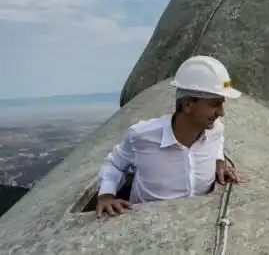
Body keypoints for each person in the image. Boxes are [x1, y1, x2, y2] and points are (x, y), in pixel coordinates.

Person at [95, 55, 242, 218]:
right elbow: (115, 164)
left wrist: (219, 161)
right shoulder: (142, 136)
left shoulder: (215, 130)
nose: (221, 112)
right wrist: (106, 195)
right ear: (187, 105)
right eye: (214, 105)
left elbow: (217, 141)